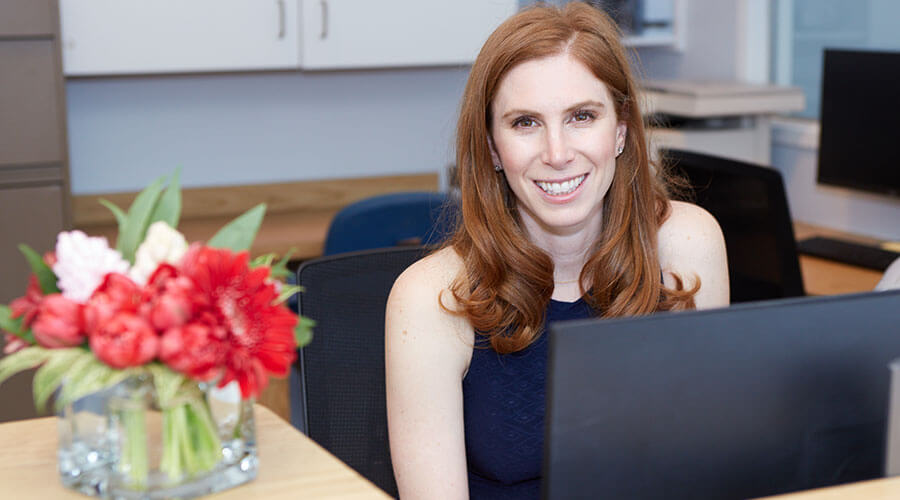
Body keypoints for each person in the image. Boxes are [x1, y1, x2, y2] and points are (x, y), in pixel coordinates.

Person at [385, 3, 729, 499]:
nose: (557, 152)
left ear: (621, 130)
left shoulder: (686, 245)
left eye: (581, 116)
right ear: (492, 147)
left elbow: (706, 465)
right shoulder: (431, 298)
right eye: (525, 123)